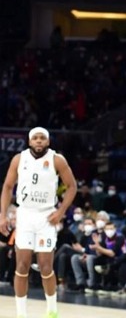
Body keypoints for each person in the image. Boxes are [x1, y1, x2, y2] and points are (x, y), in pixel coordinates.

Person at [0, 127, 78, 318]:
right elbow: (8, 187)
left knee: (45, 267)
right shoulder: (19, 159)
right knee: (22, 266)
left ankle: (52, 310)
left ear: (48, 141)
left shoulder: (57, 160)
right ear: (29, 141)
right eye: (35, 138)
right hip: (25, 214)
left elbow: (72, 186)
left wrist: (60, 211)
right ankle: (21, 314)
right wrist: (3, 215)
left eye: (42, 137)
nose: (39, 140)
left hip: (46, 216)